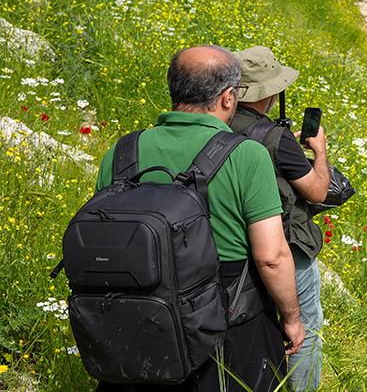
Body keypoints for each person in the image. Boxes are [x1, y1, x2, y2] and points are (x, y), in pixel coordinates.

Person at [93, 45, 303, 391]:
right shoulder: (246, 155)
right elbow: (271, 258)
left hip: (136, 320)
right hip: (225, 326)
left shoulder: (123, 151)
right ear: (228, 97)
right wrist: (292, 318)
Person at [230, 46, 330, 392]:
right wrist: (320, 151)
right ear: (269, 93)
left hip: (234, 244)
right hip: (284, 245)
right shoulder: (275, 138)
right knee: (306, 327)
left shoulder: (218, 127)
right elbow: (317, 191)